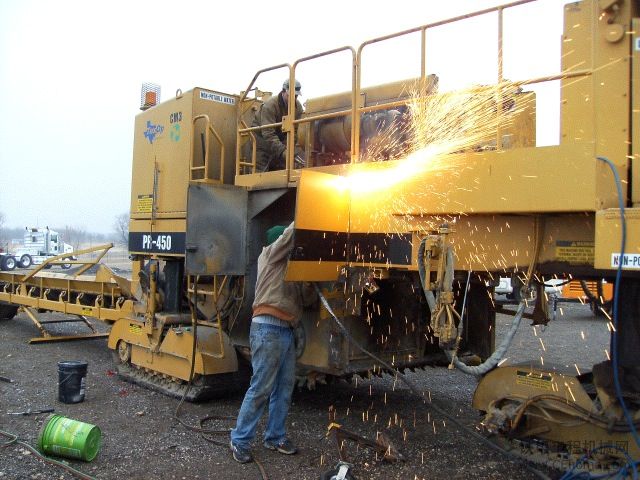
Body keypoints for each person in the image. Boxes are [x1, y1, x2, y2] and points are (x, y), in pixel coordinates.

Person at [230, 222, 314, 464]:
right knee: (261, 388)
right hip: (267, 328)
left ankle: (275, 436)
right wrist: (304, 215)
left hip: (286, 331)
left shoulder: (291, 269)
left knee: (284, 389)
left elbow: (307, 301)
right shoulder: (269, 256)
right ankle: (240, 440)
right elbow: (288, 237)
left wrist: (309, 279)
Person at [252, 79, 305, 171]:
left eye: (296, 96)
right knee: (261, 169)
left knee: (282, 168)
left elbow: (294, 132)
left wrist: (287, 149)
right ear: (283, 91)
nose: (293, 99)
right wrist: (283, 151)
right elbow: (268, 133)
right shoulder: (270, 105)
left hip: (279, 138)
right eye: (290, 96)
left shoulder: (298, 108)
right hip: (261, 138)